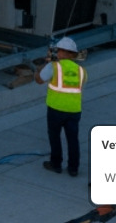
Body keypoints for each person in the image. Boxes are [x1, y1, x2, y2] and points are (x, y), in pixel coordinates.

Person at [36, 36, 86, 177]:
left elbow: (39, 79)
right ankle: (73, 168)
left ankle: (56, 164)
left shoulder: (53, 67)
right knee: (73, 139)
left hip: (56, 109)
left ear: (64, 52)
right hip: (74, 110)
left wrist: (44, 64)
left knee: (55, 137)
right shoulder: (81, 70)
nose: (56, 53)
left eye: (58, 50)